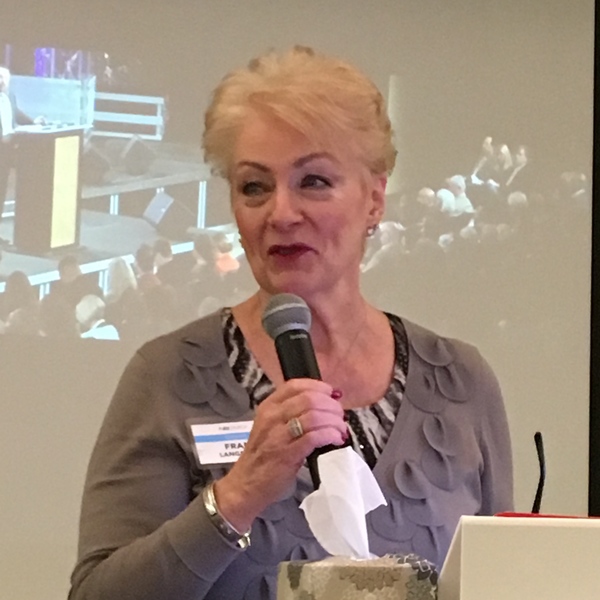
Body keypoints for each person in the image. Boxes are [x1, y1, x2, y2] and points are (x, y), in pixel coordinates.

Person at [69, 46, 513, 600]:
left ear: (375, 199)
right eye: (254, 186)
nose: (280, 213)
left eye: (314, 181)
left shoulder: (461, 383)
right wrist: (237, 496)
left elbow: (505, 582)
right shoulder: (167, 375)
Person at [0, 65, 43, 246]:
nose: (2, 81)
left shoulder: (10, 96)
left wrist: (34, 122)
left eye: (4, 78)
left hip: (6, 153)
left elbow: (16, 114)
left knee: (1, 191)